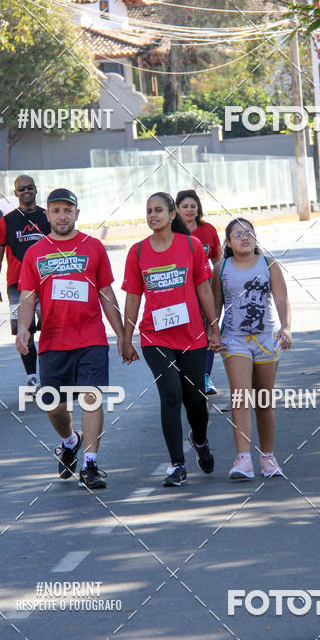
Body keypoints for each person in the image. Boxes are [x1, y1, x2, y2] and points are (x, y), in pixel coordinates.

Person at [16, 188, 134, 490]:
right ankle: (70, 441)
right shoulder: (35, 252)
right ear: (47, 215)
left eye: (67, 210)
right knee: (53, 405)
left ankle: (90, 464)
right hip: (53, 341)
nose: (62, 216)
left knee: (92, 397)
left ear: (76, 214)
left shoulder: (93, 247)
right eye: (56, 211)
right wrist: (24, 328)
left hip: (91, 339)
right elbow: (28, 296)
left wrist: (122, 335)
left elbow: (106, 294)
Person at [121, 192, 221, 487]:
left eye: (158, 210)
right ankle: (177, 465)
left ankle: (200, 441)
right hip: (156, 337)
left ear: (172, 214)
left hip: (192, 336)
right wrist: (126, 337)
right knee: (171, 395)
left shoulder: (190, 246)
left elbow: (204, 289)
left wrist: (214, 328)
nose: (153, 215)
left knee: (196, 399)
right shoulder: (138, 252)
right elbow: (133, 297)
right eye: (149, 211)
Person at [211, 218, 291, 480]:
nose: (244, 237)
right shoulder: (221, 268)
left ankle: (267, 457)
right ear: (228, 242)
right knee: (240, 396)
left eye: (249, 233)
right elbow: (215, 304)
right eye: (238, 234)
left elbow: (281, 298)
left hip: (266, 338)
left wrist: (286, 327)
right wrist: (214, 332)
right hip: (234, 340)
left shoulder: (268, 264)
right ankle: (243, 458)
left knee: (263, 400)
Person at [0, 175, 50, 397]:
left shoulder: (48, 217)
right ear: (15, 192)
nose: (26, 191)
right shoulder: (6, 221)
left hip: (47, 283)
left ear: (36, 189)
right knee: (24, 332)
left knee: (51, 328)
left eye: (30, 188)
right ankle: (32, 377)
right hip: (17, 286)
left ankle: (51, 375)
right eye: (21, 189)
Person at [176, 189, 221, 396]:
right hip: (181, 289)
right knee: (186, 332)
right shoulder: (172, 231)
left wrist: (222, 286)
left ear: (198, 208)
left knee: (209, 330)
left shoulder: (208, 230)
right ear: (176, 209)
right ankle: (184, 376)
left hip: (206, 286)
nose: (189, 210)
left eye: (193, 206)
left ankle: (205, 376)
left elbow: (218, 261)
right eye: (184, 206)